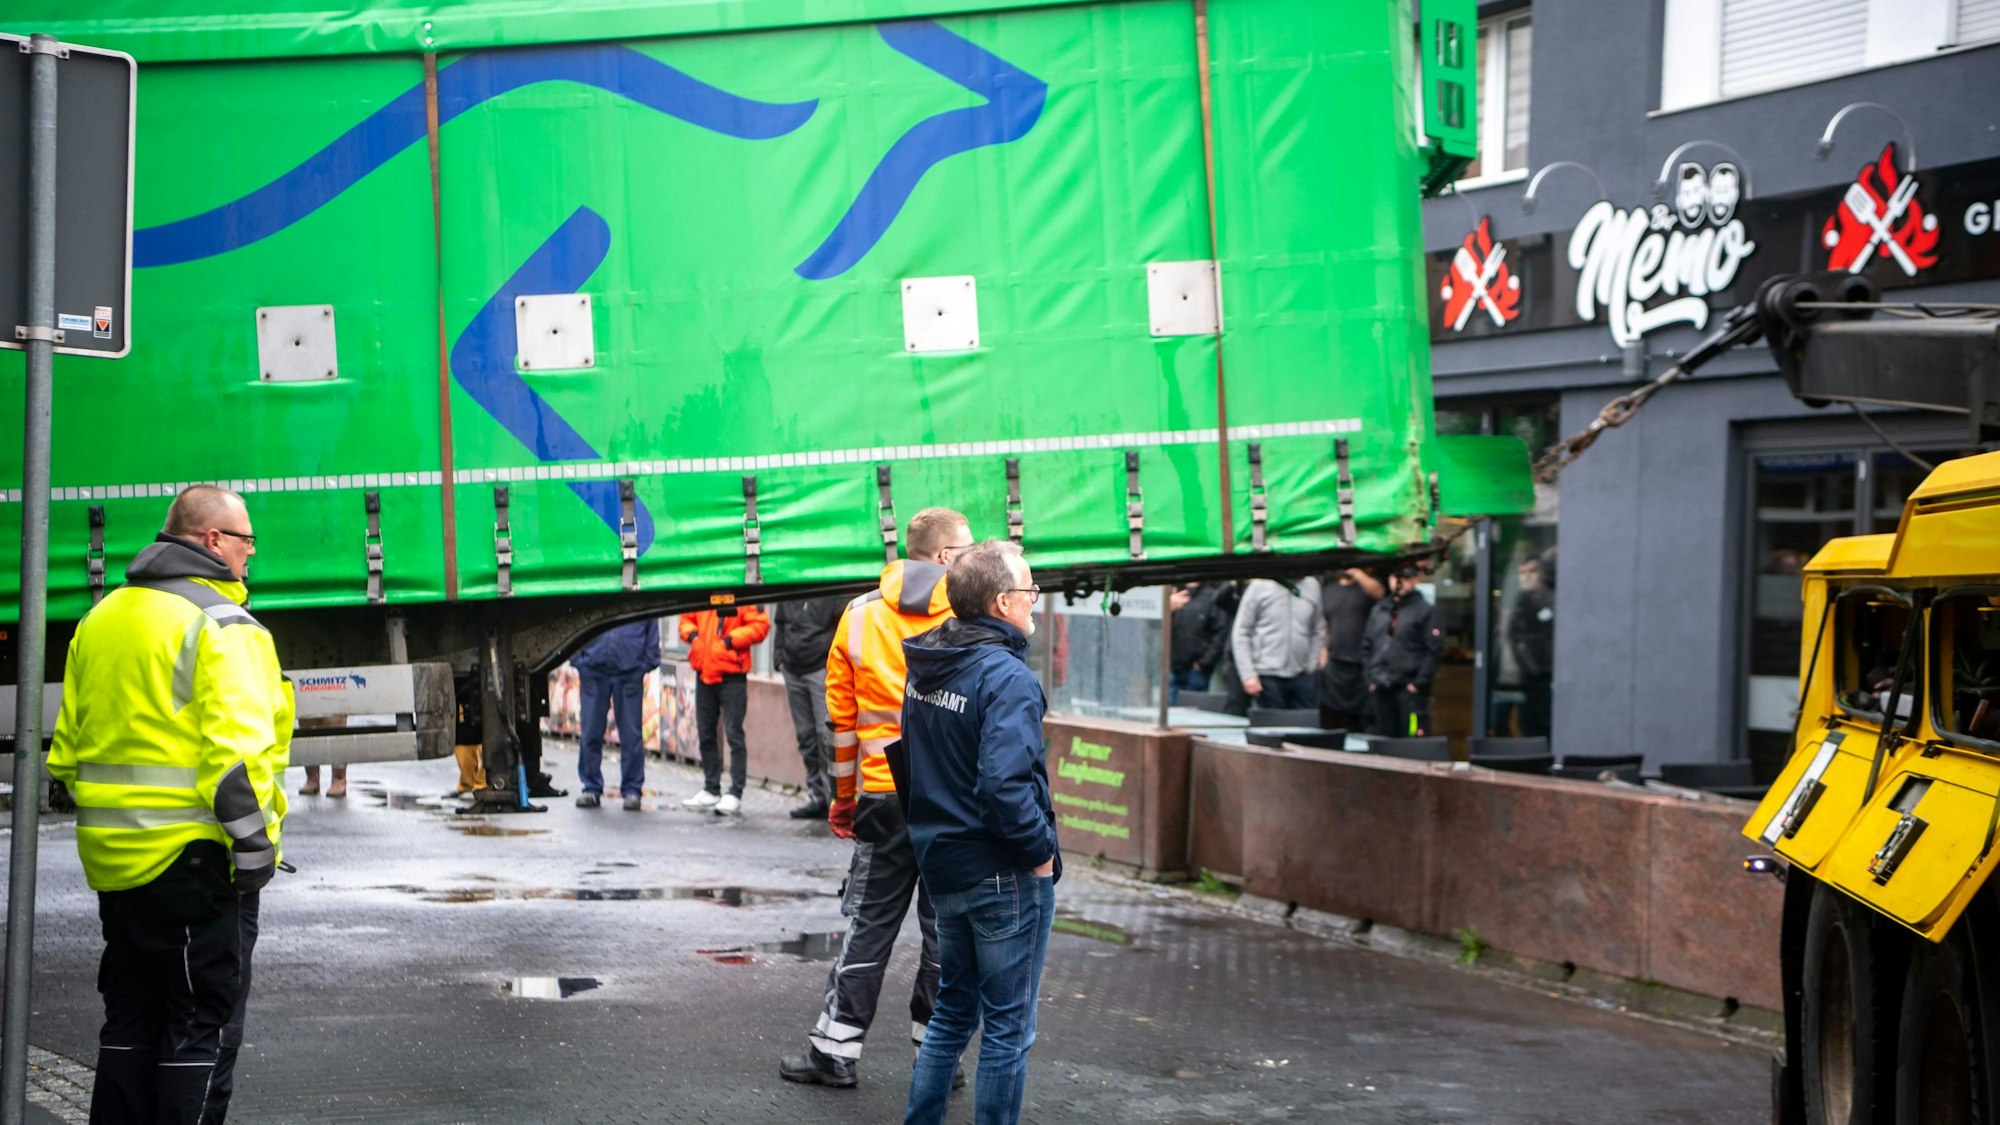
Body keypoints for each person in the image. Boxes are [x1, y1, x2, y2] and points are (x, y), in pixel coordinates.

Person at [47, 485, 293, 1124]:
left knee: (130, 1025)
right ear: (213, 540)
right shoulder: (223, 624)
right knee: (200, 1029)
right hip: (196, 864)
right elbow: (235, 761)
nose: (250, 553)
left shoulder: (101, 619)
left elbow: (66, 755)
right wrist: (255, 853)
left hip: (116, 867)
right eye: (246, 540)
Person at [779, 507, 973, 1089]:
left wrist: (844, 799)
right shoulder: (969, 617)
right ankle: (937, 1059)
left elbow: (841, 724)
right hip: (950, 804)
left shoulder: (859, 615)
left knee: (869, 925)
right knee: (945, 933)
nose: (971, 558)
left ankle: (834, 1053)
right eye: (965, 550)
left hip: (883, 798)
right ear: (944, 556)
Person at [902, 540, 1060, 1125]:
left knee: (951, 1014)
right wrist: (1041, 853)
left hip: (945, 865)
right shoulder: (1006, 677)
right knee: (1007, 1030)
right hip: (1001, 874)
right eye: (1028, 589)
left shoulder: (929, 662)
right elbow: (1004, 787)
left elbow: (911, 767)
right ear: (1001, 603)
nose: (1034, 599)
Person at [677, 603, 770, 815]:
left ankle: (735, 792)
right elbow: (686, 619)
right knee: (705, 732)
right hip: (705, 670)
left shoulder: (742, 594)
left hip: (732, 674)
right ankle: (711, 788)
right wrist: (694, 637)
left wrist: (729, 640)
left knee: (734, 733)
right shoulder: (703, 591)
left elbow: (760, 625)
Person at [571, 619, 661, 810]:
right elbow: (574, 620)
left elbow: (650, 622)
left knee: (631, 735)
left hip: (628, 672)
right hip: (594, 669)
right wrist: (579, 660)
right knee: (590, 732)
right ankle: (591, 788)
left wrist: (645, 664)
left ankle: (632, 790)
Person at [773, 594, 848, 819]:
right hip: (792, 670)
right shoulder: (789, 590)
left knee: (825, 735)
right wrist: (779, 659)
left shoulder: (829, 590)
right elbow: (780, 624)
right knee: (805, 736)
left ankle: (833, 798)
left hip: (820, 669)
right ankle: (817, 796)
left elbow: (844, 625)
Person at [1362, 566, 1444, 737]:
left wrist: (1418, 683)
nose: (1399, 582)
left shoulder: (1425, 611)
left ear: (1415, 580)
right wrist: (1370, 678)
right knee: (1382, 738)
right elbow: (1367, 645)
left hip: (1409, 688)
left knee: (1412, 737)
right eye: (1395, 577)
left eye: (1405, 578)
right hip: (1380, 686)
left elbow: (1434, 650)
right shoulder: (1379, 610)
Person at [1230, 576, 1328, 711]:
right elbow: (1241, 631)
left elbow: (1318, 629)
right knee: (1272, 723)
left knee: (1304, 723)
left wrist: (1311, 665)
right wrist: (1248, 675)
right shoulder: (1259, 586)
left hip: (1302, 675)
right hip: (1266, 676)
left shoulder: (1312, 586)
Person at [1317, 568, 1385, 730]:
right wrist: (1323, 651)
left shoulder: (1368, 585)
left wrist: (1358, 574)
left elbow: (1380, 593)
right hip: (1335, 664)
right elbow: (1325, 624)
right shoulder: (1329, 590)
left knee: (1362, 723)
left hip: (1362, 665)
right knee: (1332, 720)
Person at [1506, 556, 1555, 738]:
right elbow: (1513, 635)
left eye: (1532, 571)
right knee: (1526, 724)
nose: (1526, 577)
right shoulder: (1521, 600)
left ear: (1542, 574)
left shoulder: (1552, 600)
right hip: (1527, 676)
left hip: (1548, 677)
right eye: (1522, 572)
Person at [1167, 581, 1236, 703]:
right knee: (1170, 709)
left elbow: (1220, 634)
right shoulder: (1175, 594)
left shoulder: (1211, 597)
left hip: (1196, 671)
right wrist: (1168, 608)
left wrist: (1204, 663)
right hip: (1173, 667)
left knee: (1193, 710)